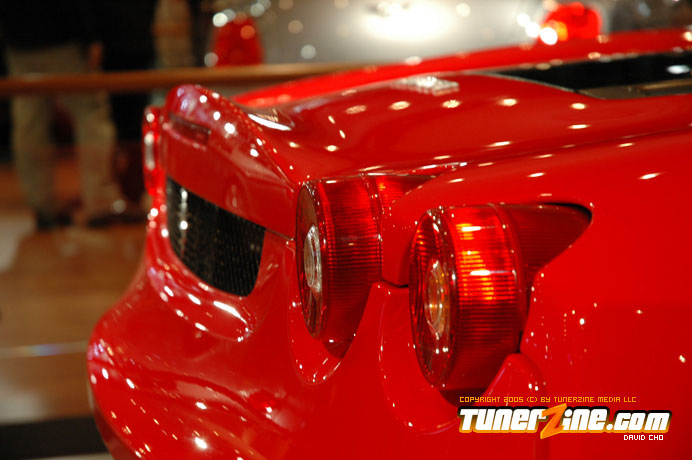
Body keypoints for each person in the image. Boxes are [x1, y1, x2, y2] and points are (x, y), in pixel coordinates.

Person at [0, 1, 137, 230]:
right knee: (91, 115)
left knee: (29, 124)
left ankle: (42, 205)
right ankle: (98, 201)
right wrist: (89, 36)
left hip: (19, 41)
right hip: (63, 39)